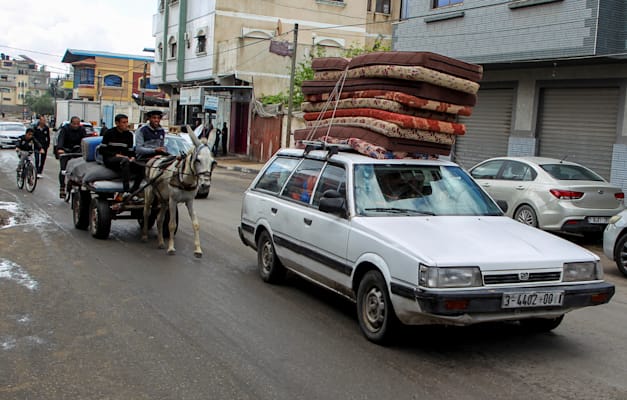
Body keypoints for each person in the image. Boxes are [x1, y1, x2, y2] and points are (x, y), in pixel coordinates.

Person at [99, 114, 142, 195]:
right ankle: (126, 190)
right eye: (123, 122)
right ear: (117, 123)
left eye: (127, 122)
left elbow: (130, 150)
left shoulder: (129, 135)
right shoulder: (109, 133)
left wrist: (133, 157)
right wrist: (116, 155)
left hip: (124, 159)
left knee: (141, 166)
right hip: (110, 159)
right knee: (125, 161)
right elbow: (102, 150)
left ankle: (135, 189)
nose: (126, 125)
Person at [56, 116, 87, 198]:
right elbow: (61, 139)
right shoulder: (65, 129)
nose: (76, 125)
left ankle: (76, 183)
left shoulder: (82, 130)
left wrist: (85, 150)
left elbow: (85, 140)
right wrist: (60, 148)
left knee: (80, 167)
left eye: (78, 124)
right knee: (63, 170)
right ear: (71, 123)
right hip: (66, 150)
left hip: (77, 151)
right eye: (74, 124)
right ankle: (62, 187)